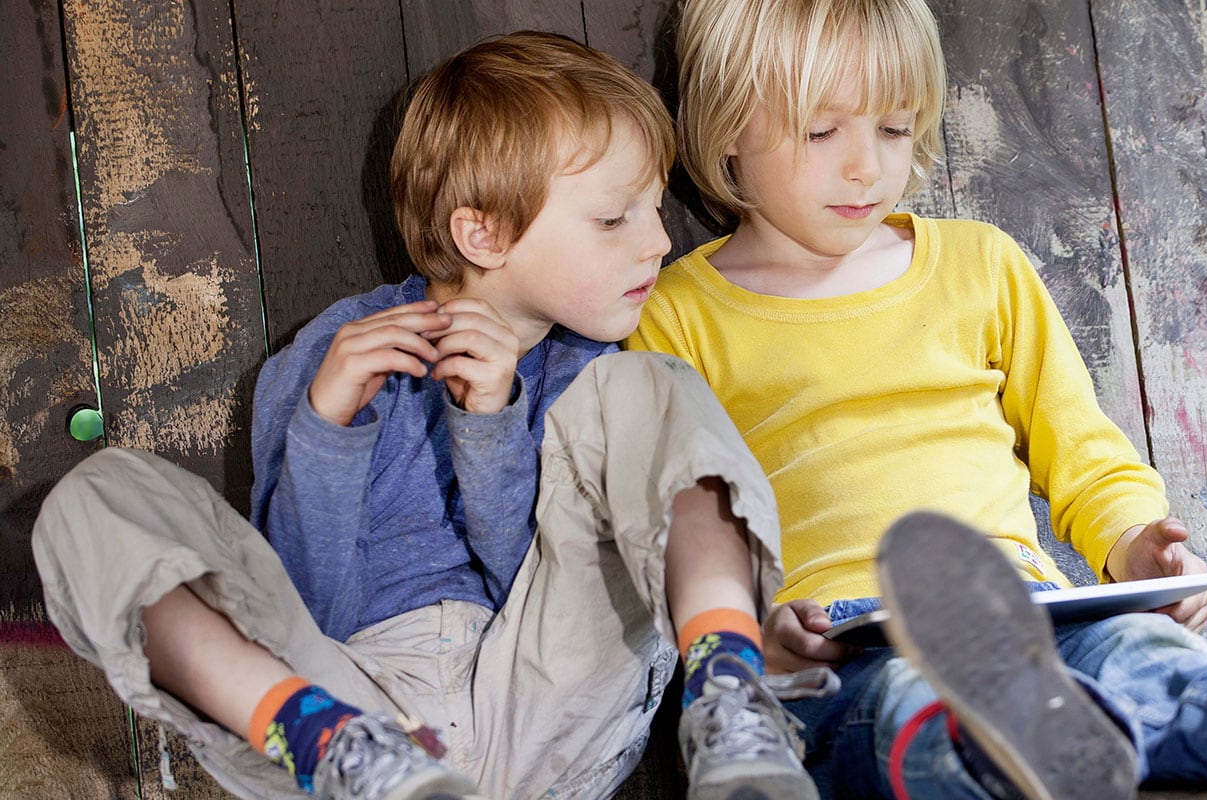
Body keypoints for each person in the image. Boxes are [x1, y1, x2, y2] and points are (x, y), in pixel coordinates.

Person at [626, 0, 1207, 797]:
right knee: (909, 700)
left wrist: (1139, 549)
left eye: (892, 127)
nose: (867, 165)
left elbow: (1082, 449)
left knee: (1138, 652)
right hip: (837, 642)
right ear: (729, 122)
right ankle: (1005, 752)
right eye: (822, 130)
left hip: (1031, 607)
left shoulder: (979, 266)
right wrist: (755, 635)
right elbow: (679, 529)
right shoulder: (675, 317)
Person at [33, 31, 816, 800]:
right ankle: (324, 737)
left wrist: (491, 428)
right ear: (481, 232)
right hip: (359, 714)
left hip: (547, 704)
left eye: (655, 208)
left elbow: (537, 589)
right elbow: (310, 609)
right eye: (615, 219)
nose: (657, 242)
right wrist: (326, 429)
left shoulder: (595, 378)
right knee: (92, 496)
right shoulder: (333, 355)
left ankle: (731, 688)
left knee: (656, 385)